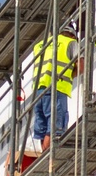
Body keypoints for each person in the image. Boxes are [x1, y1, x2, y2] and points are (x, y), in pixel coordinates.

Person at [27, 19, 79, 156]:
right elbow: (81, 65)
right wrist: (69, 75)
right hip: (57, 89)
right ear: (72, 33)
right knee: (55, 126)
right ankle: (49, 158)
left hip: (38, 91)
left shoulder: (40, 45)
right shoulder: (71, 42)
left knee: (43, 128)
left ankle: (44, 155)